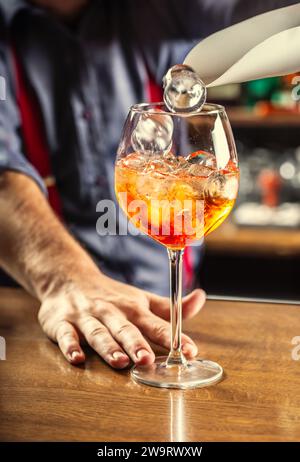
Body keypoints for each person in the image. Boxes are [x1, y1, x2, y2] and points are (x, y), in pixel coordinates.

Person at [0, 0, 295, 369]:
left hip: (172, 317)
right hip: (52, 323)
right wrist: (65, 281)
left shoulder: (158, 9)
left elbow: (263, 14)